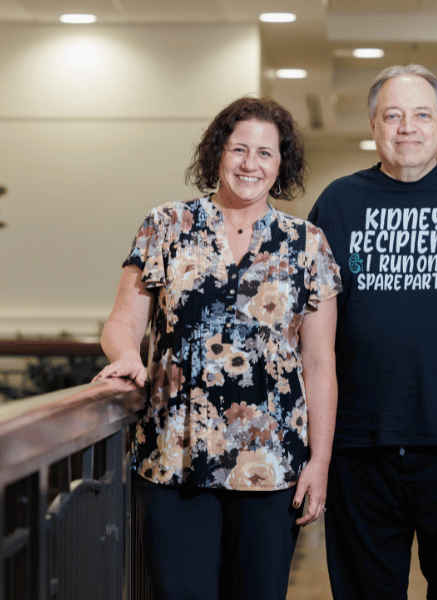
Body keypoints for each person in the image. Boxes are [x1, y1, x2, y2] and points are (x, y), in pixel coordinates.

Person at [93, 97, 342, 600]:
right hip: (175, 457)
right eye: (239, 149)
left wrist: (320, 461)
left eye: (265, 153)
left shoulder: (307, 243)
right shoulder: (165, 226)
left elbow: (319, 361)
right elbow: (122, 321)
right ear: (217, 154)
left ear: (281, 164)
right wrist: (126, 355)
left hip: (270, 464)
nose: (251, 164)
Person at [308, 65, 437, 600]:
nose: (407, 128)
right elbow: (302, 320)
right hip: (358, 444)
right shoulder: (338, 203)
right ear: (374, 126)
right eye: (392, 115)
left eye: (422, 114)